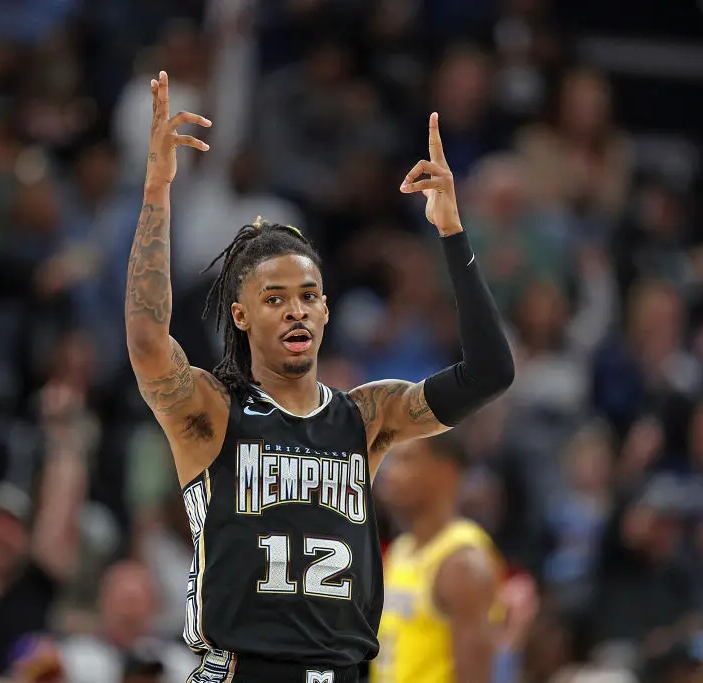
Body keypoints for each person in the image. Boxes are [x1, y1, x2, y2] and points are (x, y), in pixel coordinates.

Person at [124, 70, 514, 683]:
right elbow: (148, 340)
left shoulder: (367, 418)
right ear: (242, 316)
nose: (296, 309)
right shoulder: (212, 410)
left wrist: (451, 232)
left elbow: (490, 373)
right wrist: (156, 193)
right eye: (274, 298)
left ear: (327, 311)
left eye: (308, 295)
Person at [371, 433, 506, 683]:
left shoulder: (462, 564)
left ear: (446, 472)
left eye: (405, 460)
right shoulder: (401, 550)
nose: (389, 472)